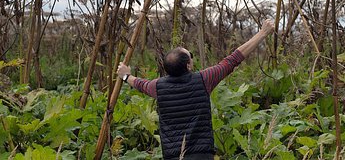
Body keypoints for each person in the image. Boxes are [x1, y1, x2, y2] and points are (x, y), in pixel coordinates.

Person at [117, 18, 274, 160]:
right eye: (190, 56)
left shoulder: (157, 86)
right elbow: (233, 60)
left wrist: (125, 76)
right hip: (202, 155)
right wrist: (262, 33)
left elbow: (138, 83)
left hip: (173, 156)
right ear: (188, 65)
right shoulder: (204, 79)